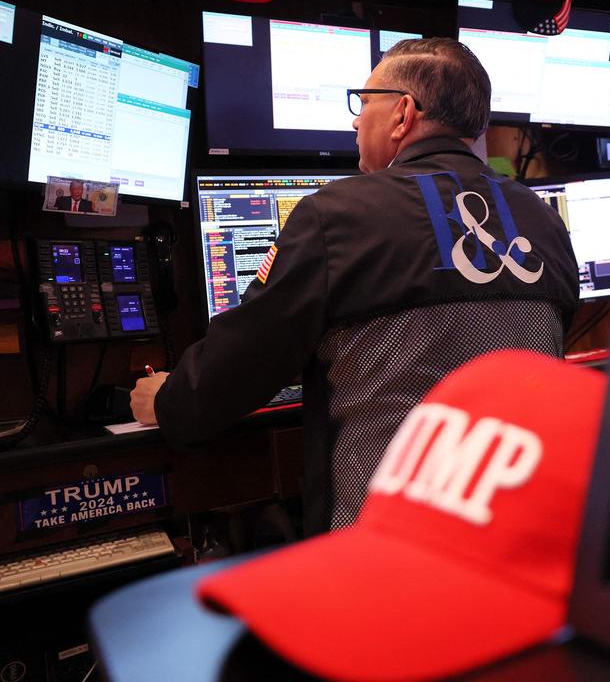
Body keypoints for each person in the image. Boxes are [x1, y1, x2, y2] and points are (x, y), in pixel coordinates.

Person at [131, 38, 579, 534]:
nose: (354, 120)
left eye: (364, 103)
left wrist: (169, 401)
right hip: (517, 533)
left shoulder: (336, 215)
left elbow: (246, 360)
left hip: (384, 548)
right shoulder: (543, 219)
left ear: (402, 113)